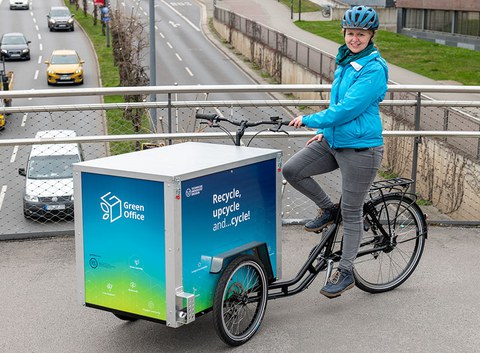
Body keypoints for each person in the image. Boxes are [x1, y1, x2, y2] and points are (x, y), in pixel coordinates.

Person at [282, 6, 388, 299]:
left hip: (362, 149)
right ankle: (329, 209)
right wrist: (324, 131)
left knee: (352, 211)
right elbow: (339, 109)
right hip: (334, 140)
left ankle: (346, 271)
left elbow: (348, 109)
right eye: (351, 33)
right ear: (344, 33)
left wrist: (310, 119)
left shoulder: (373, 68)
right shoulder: (346, 61)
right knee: (293, 170)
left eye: (361, 34)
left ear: (371, 35)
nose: (355, 38)